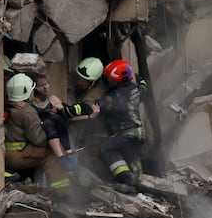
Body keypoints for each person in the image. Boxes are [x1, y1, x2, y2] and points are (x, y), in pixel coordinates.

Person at [4, 73, 72, 193]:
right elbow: (38, 139)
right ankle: (63, 192)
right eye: (32, 90)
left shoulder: (8, 105)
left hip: (6, 153)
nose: (33, 92)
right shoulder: (27, 112)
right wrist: (53, 135)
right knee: (52, 154)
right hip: (16, 155)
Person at [97, 59, 145, 191]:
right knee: (131, 158)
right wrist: (142, 82)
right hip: (139, 133)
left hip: (127, 132)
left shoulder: (114, 96)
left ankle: (125, 179)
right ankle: (141, 183)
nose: (107, 81)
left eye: (109, 78)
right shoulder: (135, 89)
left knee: (106, 149)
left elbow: (98, 107)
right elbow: (143, 90)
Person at [30, 75, 96, 171]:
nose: (45, 87)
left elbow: (69, 117)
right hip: (39, 133)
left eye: (46, 84)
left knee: (57, 118)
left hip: (57, 134)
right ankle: (61, 158)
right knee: (48, 122)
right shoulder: (31, 103)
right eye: (41, 85)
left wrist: (90, 117)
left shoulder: (53, 100)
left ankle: (69, 154)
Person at [68, 57, 110, 179]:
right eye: (79, 78)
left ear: (93, 83)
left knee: (90, 165)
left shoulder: (91, 98)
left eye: (83, 80)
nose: (79, 82)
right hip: (93, 136)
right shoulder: (98, 86)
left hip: (95, 137)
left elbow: (76, 117)